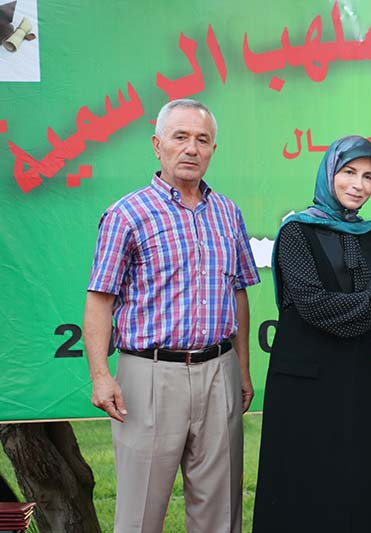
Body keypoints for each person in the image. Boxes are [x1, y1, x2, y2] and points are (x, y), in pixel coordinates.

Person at [84, 99, 260, 532]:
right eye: (180, 137)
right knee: (140, 513)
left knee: (221, 513)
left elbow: (238, 292)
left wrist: (242, 370)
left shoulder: (228, 213)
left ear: (213, 149)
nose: (191, 148)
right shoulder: (127, 214)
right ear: (157, 144)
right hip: (149, 375)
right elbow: (100, 299)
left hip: (219, 370)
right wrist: (101, 376)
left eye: (202, 139)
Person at [251, 135, 371, 532]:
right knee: (301, 488)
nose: (358, 184)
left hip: (357, 384)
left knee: (354, 485)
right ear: (329, 172)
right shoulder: (297, 232)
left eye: (368, 177)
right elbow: (314, 305)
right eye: (349, 172)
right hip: (304, 387)